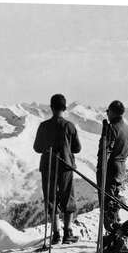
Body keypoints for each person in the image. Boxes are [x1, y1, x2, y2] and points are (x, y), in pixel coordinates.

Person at [33, 94, 81, 244]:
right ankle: (67, 233)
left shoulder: (44, 126)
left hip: (48, 166)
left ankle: (55, 234)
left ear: (51, 107)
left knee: (51, 199)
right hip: (66, 166)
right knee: (67, 198)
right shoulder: (69, 126)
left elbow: (37, 148)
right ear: (64, 108)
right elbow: (77, 148)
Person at [97, 100, 128, 232]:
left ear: (112, 112)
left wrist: (101, 171)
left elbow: (105, 151)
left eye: (107, 111)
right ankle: (117, 231)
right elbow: (127, 150)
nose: (106, 113)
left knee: (107, 205)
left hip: (109, 170)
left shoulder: (111, 128)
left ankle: (113, 232)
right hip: (121, 170)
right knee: (114, 202)